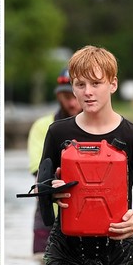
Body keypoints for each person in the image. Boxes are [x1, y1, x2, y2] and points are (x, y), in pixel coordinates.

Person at [38, 45, 133, 265]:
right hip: (65, 248)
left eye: (96, 83)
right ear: (72, 87)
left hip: (117, 253)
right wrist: (52, 192)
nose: (88, 91)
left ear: (113, 84)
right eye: (80, 84)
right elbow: (42, 187)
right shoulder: (57, 132)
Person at [26, 69, 82, 255]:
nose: (73, 102)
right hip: (48, 214)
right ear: (59, 95)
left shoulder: (98, 128)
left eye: (75, 96)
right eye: (67, 96)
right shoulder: (43, 127)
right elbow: (40, 171)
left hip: (84, 213)